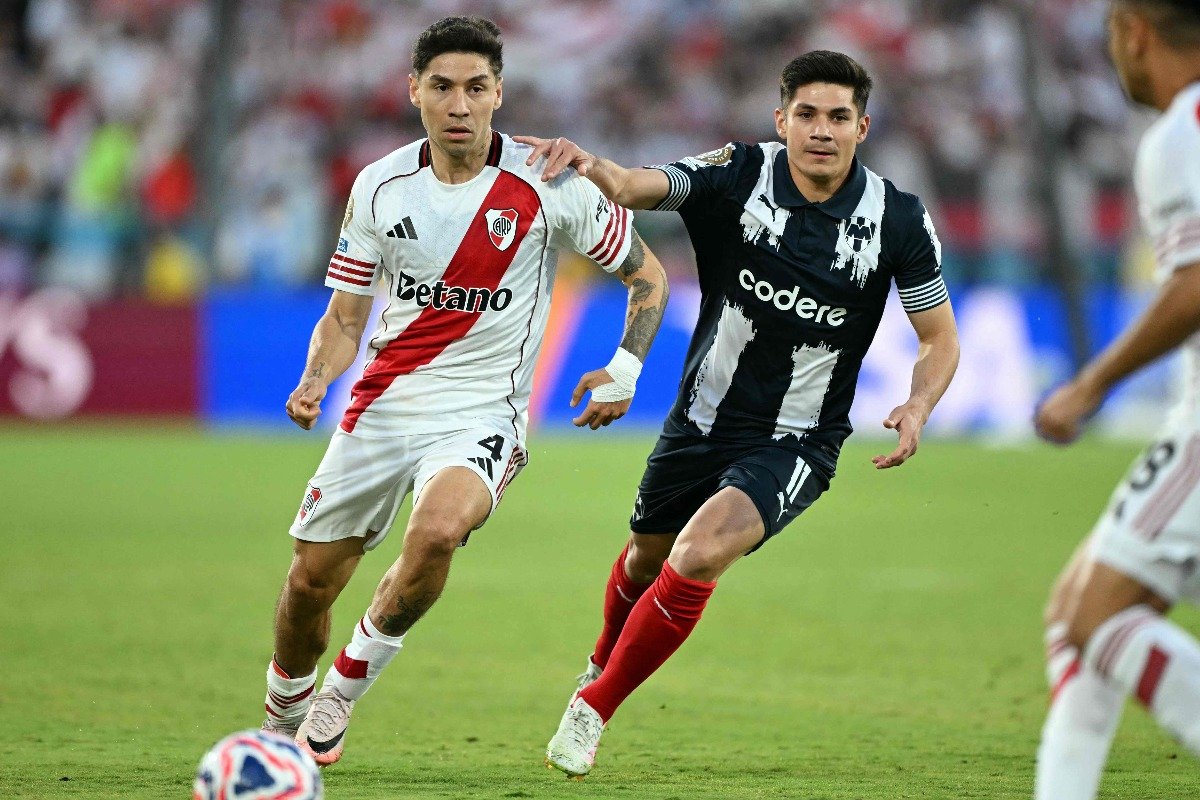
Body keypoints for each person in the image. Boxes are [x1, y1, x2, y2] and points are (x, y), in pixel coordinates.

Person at [517, 50, 960, 777]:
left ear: (862, 127)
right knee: (645, 558)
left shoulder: (899, 220)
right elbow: (634, 185)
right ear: (781, 119)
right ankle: (601, 660)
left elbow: (939, 338)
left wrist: (919, 401)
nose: (822, 130)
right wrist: (593, 166)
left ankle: (594, 706)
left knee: (698, 553)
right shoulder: (739, 172)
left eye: (838, 117)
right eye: (807, 114)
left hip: (798, 439)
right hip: (700, 418)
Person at [257, 17, 669, 768]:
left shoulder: (551, 181)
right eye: (442, 87)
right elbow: (345, 317)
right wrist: (316, 378)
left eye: (476, 88)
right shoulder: (379, 186)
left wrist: (627, 368)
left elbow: (648, 276)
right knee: (309, 583)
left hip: (483, 411)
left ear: (498, 94)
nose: (459, 104)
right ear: (413, 90)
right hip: (383, 403)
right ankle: (282, 718)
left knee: (439, 531)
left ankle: (343, 688)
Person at [1033, 2, 1200, 797]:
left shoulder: (1182, 132)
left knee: (1096, 616)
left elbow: (1195, 283)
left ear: (1135, 31)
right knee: (1075, 615)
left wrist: (1091, 384)